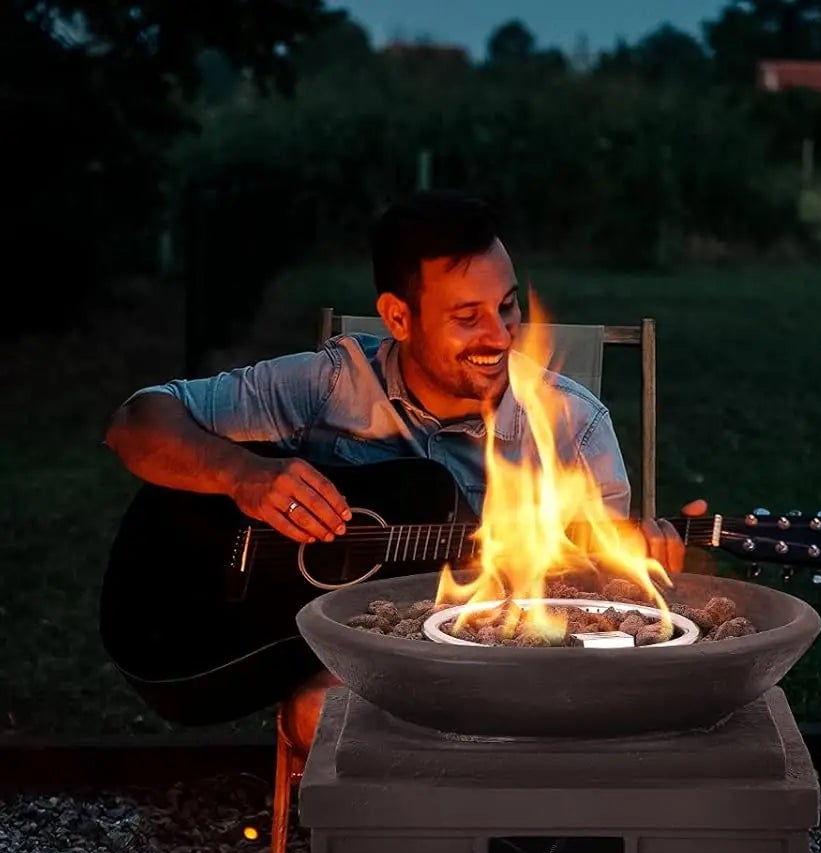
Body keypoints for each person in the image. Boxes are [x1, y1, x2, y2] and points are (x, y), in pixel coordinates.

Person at [104, 190, 687, 742]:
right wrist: (244, 477)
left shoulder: (573, 427)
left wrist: (639, 572)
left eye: (507, 306)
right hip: (349, 660)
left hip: (490, 666)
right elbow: (135, 423)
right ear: (399, 318)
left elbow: (586, 606)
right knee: (327, 710)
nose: (500, 335)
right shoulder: (331, 386)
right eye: (467, 316)